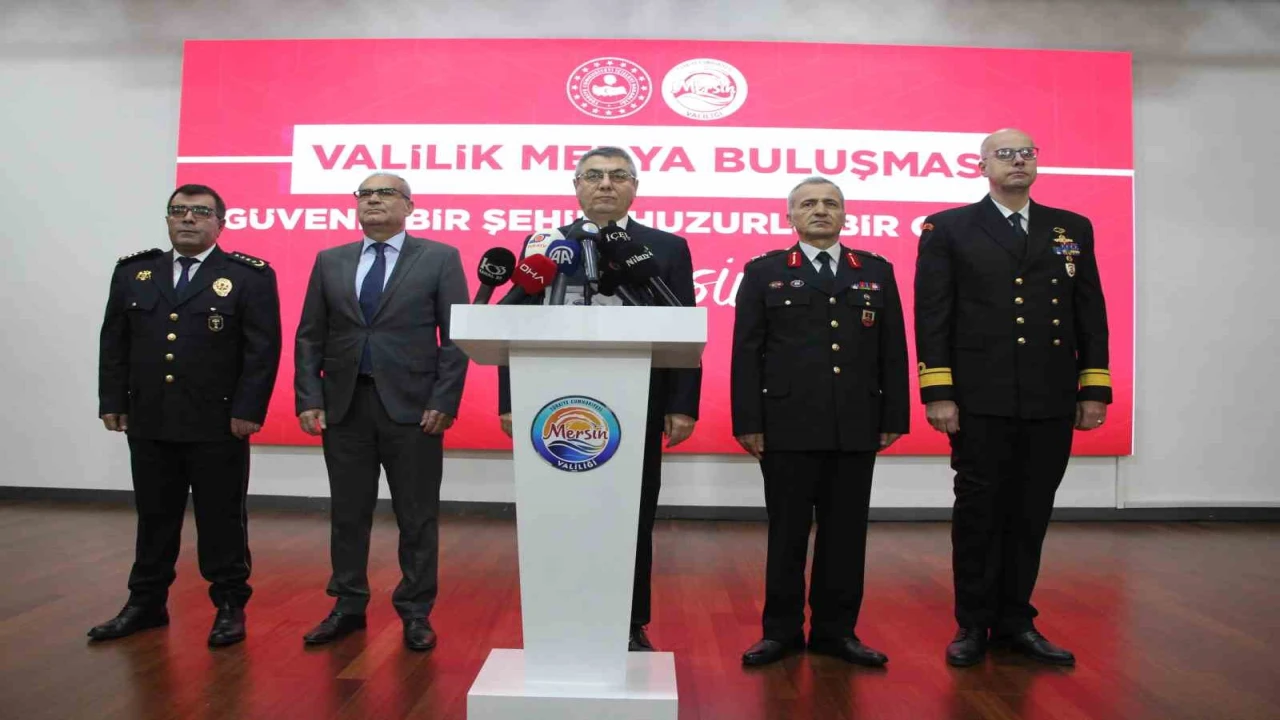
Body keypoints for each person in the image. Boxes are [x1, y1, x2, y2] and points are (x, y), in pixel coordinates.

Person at [914, 128, 1111, 667]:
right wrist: (939, 391)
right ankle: (972, 623)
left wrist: (1094, 387)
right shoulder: (948, 227)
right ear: (982, 167)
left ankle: (1016, 621)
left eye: (1027, 153)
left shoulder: (1071, 227)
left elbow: (1089, 311)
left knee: (1031, 513)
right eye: (1004, 154)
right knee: (979, 514)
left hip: (1050, 396)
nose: (1018, 161)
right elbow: (933, 315)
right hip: (980, 399)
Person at [496, 146, 702, 652]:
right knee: (559, 513)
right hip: (553, 402)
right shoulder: (546, 244)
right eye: (593, 175)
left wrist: (682, 403)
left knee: (634, 513)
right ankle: (558, 615)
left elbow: (685, 326)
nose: (605, 184)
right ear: (576, 187)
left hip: (640, 399)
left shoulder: (666, 247)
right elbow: (514, 322)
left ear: (635, 187)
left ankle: (630, 622)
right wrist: (510, 398)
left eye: (617, 176)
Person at [92, 183, 281, 647]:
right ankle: (145, 603)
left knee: (222, 518)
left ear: (221, 223)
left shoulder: (248, 276)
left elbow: (262, 351)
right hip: (150, 418)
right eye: (178, 211)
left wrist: (249, 410)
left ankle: (230, 604)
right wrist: (113, 401)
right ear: (167, 220)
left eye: (200, 212)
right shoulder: (135, 273)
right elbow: (114, 342)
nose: (188, 219)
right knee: (154, 517)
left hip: (217, 422)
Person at [731, 177, 908, 667]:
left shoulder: (875, 271)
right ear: (790, 216)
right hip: (786, 424)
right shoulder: (765, 272)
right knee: (787, 533)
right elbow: (746, 353)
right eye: (808, 204)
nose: (821, 211)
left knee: (846, 534)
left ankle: (836, 632)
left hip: (856, 423)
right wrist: (748, 421)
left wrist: (894, 414)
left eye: (831, 203)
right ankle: (780, 632)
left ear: (845, 214)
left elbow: (893, 349)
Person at [294, 172, 469, 651]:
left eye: (385, 193)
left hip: (414, 409)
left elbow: (456, 337)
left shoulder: (439, 258)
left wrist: (444, 399)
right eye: (365, 194)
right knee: (348, 513)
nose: (372, 200)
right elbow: (309, 335)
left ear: (409, 206)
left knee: (417, 515)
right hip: (345, 405)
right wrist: (309, 397)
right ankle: (347, 605)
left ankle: (415, 611)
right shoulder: (331, 260)